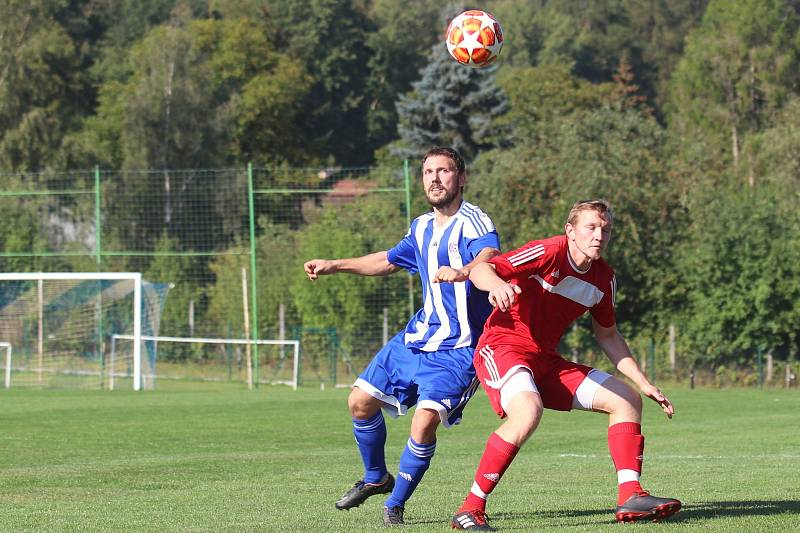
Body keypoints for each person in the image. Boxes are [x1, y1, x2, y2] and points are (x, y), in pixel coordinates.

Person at [450, 199, 681, 531]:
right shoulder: (549, 252)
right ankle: (470, 509)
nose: (599, 235)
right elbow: (482, 270)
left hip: (545, 359)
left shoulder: (605, 279)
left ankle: (631, 496)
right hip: (503, 346)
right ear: (570, 231)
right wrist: (498, 285)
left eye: (605, 229)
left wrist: (644, 384)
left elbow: (609, 336)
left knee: (626, 400)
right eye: (591, 227)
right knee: (527, 412)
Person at [303, 147, 501, 527]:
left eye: (444, 171)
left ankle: (394, 504)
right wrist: (335, 265)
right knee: (359, 402)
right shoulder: (422, 226)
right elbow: (389, 260)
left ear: (461, 178)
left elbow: (489, 254)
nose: (435, 178)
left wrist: (465, 271)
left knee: (424, 422)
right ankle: (376, 476)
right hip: (417, 337)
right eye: (428, 172)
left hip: (460, 349)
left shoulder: (474, 221)